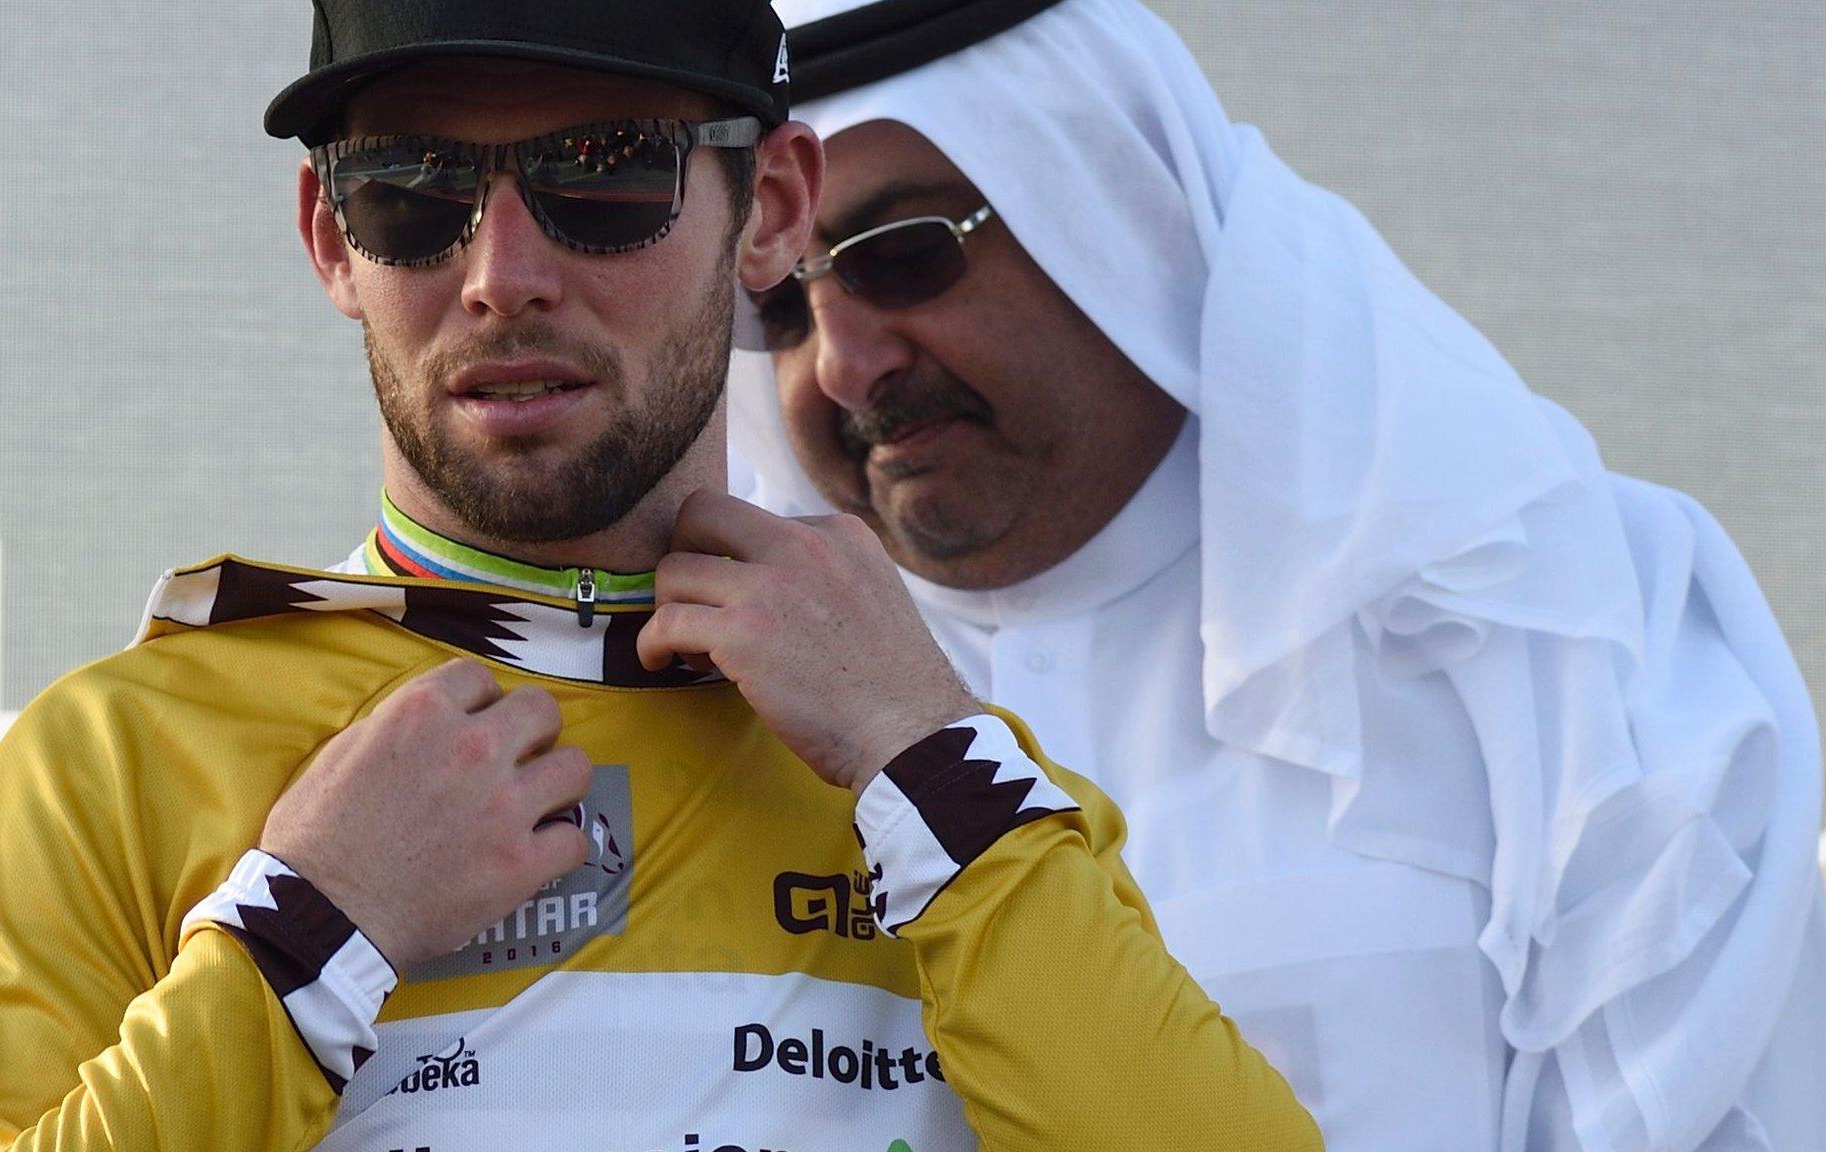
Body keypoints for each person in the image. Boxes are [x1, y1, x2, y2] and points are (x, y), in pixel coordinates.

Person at [0, 2, 1322, 1150]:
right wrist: (307, 933)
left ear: (769, 211)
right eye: (412, 191)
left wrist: (924, 765)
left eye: (603, 173)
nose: (500, 271)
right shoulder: (117, 753)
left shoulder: (937, 759)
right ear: (331, 240)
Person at [729, 1, 1826, 1149]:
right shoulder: (717, 701)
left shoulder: (1565, 620)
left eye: (904, 258)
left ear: (1112, 211)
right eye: (774, 308)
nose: (845, 367)